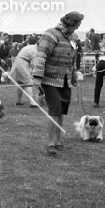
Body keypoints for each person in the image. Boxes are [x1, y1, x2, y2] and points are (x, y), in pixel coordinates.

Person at [32, 11, 84, 156]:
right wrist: (37, 76)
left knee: (62, 110)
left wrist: (73, 75)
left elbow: (72, 59)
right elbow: (41, 55)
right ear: (71, 23)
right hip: (50, 79)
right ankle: (50, 144)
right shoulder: (51, 34)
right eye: (77, 25)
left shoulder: (72, 38)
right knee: (54, 109)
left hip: (65, 80)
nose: (78, 28)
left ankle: (57, 141)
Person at [9, 36, 38, 107]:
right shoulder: (35, 50)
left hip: (19, 62)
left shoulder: (28, 47)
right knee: (29, 83)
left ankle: (18, 101)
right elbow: (34, 64)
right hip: (22, 63)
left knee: (21, 84)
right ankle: (32, 102)